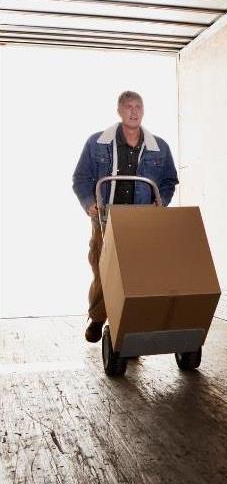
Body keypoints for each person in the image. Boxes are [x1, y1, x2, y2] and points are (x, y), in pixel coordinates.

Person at [72, 90, 179, 342]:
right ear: (119, 111)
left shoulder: (159, 147)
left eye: (138, 107)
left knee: (137, 271)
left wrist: (160, 203)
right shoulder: (96, 142)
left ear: (143, 110)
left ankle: (131, 325)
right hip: (105, 216)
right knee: (103, 267)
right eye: (128, 107)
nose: (134, 111)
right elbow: (81, 178)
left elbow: (169, 181)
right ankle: (99, 317)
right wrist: (89, 204)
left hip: (141, 218)